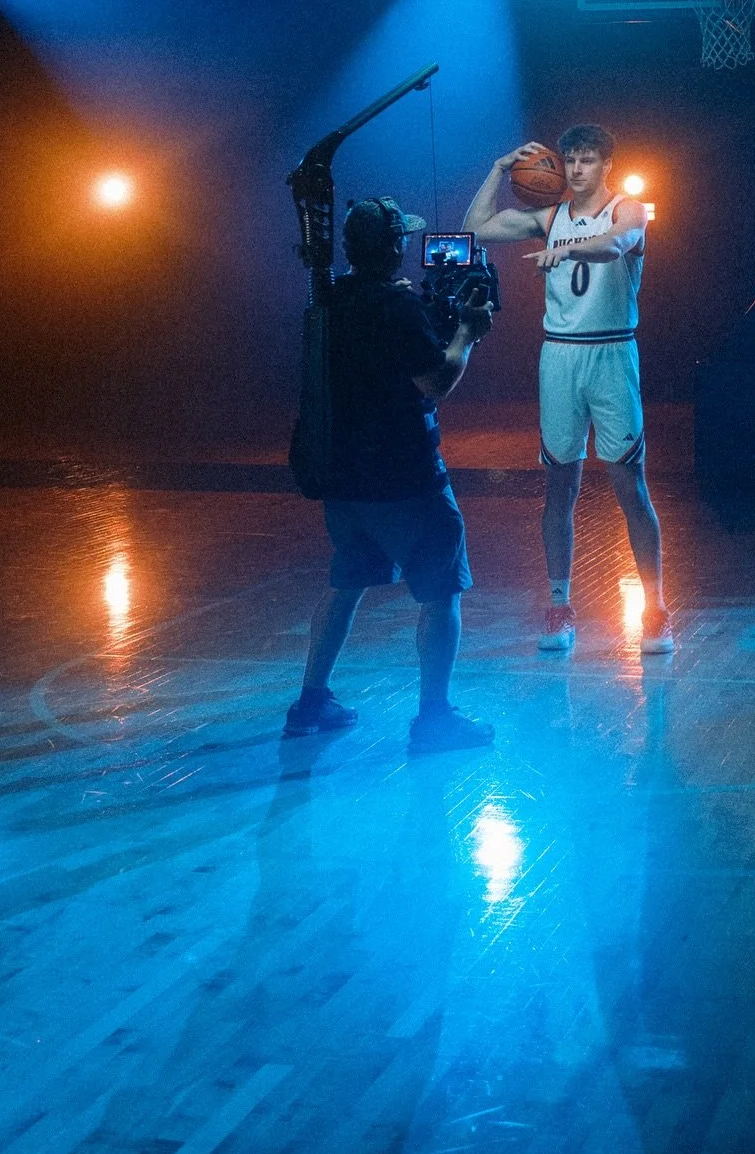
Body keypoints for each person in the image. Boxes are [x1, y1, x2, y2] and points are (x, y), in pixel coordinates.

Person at [284, 196, 495, 752]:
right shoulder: (396, 309)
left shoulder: (327, 301)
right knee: (441, 592)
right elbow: (436, 383)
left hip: (343, 480)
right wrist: (467, 332)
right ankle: (434, 719)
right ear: (397, 247)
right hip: (404, 478)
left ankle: (310, 702)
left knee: (347, 582)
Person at [463, 124, 673, 656]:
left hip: (610, 353)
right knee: (560, 486)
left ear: (606, 165)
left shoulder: (629, 209)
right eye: (570, 161)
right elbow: (476, 226)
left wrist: (569, 251)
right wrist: (498, 169)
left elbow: (615, 244)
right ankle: (559, 604)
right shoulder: (548, 215)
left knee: (630, 485)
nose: (577, 170)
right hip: (559, 355)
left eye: (587, 161)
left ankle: (655, 607)